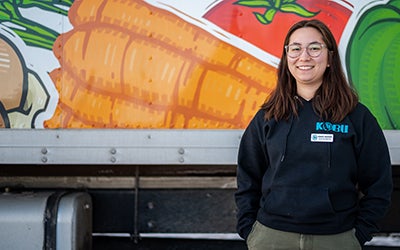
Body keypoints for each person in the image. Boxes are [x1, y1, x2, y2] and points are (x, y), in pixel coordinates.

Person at [235, 19, 393, 250]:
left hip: (336, 238)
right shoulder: (268, 117)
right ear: (287, 57)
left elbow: (379, 182)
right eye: (296, 48)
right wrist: (250, 231)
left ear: (329, 58)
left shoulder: (356, 117)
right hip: (271, 237)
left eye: (315, 48)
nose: (304, 56)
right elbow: (247, 177)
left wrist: (359, 234)